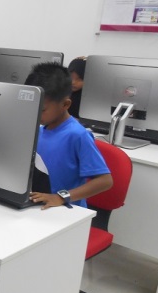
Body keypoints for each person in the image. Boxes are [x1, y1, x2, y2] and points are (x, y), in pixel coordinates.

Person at [25, 62, 113, 209]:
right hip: (40, 206)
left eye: (42, 109)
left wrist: (61, 197)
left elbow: (105, 181)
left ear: (65, 104)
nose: (35, 113)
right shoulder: (39, 129)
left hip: (67, 211)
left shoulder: (77, 135)